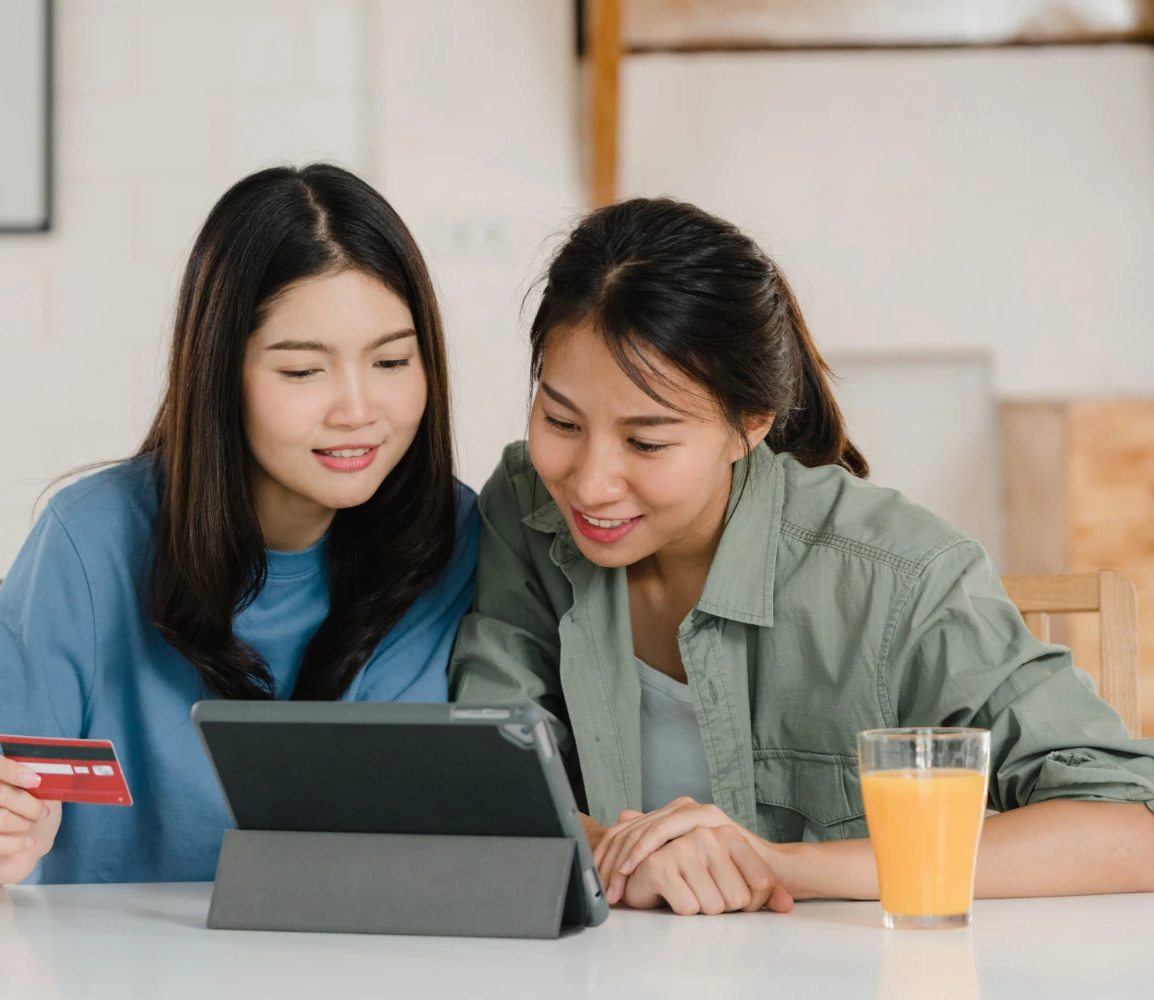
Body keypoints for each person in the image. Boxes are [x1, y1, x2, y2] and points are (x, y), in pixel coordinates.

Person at [450, 196, 1154, 915]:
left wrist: (778, 866)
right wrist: (617, 852)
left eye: (648, 442)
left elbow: (1131, 831)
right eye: (560, 419)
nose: (591, 483)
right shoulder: (526, 504)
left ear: (749, 426)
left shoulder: (895, 574)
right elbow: (482, 778)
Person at [0, 164, 478, 892]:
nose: (359, 409)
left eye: (393, 360)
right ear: (217, 372)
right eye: (303, 372)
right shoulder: (93, 541)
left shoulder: (458, 538)